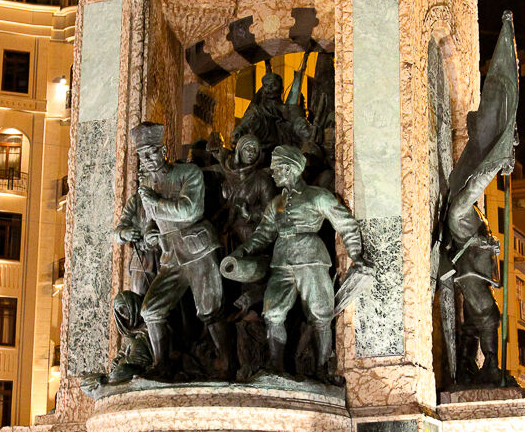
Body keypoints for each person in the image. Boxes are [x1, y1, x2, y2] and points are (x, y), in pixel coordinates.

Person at [231, 144, 369, 379]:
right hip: (282, 262)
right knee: (272, 312)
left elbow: (346, 224)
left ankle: (323, 367)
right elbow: (263, 234)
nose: (272, 174)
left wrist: (356, 255)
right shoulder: (276, 203)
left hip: (311, 259)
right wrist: (242, 251)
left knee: (320, 314)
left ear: (289, 169)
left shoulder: (317, 196)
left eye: (276, 169)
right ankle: (276, 365)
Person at [129, 122, 228, 376]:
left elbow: (190, 210)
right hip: (171, 256)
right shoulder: (147, 183)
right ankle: (161, 364)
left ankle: (228, 363)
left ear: (163, 150)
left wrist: (157, 202)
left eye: (152, 152)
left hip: (198, 250)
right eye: (142, 155)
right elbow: (152, 220)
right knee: (151, 309)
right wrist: (151, 231)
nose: (148, 160)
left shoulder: (188, 173)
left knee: (209, 312)